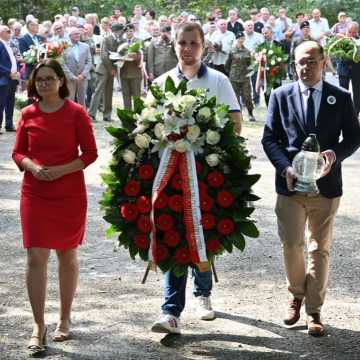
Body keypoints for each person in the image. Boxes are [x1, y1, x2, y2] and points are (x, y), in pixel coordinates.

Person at [262, 41, 360, 337]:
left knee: (320, 249)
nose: (306, 67)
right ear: (295, 64)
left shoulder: (341, 97)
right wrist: (286, 168)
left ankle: (314, 311)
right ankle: (296, 294)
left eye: (312, 62)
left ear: (323, 62)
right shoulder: (279, 95)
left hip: (327, 187)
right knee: (292, 245)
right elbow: (269, 139)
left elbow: (353, 138)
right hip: (290, 187)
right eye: (301, 62)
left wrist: (333, 156)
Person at [150, 22, 241, 335]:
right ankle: (170, 310)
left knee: (203, 232)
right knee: (171, 233)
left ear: (204, 47)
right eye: (182, 43)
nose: (187, 49)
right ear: (174, 45)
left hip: (206, 173)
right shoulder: (161, 83)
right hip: (170, 175)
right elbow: (150, 128)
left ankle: (203, 293)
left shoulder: (218, 80)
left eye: (193, 43)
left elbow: (235, 123)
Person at [12, 59, 97, 355]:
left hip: (68, 192)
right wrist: (32, 167)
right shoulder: (27, 113)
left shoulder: (76, 113)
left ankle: (64, 316)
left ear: (61, 81)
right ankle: (38, 325)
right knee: (35, 257)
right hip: (34, 192)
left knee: (67, 254)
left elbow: (90, 153)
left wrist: (61, 170)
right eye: (39, 79)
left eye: (50, 78)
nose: (44, 83)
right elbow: (18, 151)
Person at [88, 23, 125, 121]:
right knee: (98, 91)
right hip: (103, 69)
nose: (121, 33)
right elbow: (104, 55)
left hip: (112, 69)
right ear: (116, 31)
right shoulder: (106, 39)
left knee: (108, 93)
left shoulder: (121, 40)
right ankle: (91, 114)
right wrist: (111, 69)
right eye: (120, 31)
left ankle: (107, 115)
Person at [225, 31, 255, 121]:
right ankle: (239, 115)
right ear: (236, 39)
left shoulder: (247, 51)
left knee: (247, 97)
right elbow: (227, 64)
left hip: (245, 77)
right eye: (239, 39)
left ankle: (250, 113)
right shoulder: (231, 51)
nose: (241, 40)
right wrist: (231, 73)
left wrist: (248, 72)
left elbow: (251, 65)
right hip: (234, 77)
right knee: (235, 98)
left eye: (242, 38)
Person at [62, 27, 92, 107]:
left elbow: (89, 62)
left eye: (78, 33)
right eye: (75, 34)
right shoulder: (64, 47)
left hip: (83, 78)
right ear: (70, 36)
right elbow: (62, 63)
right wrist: (72, 76)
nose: (77, 35)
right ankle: (69, 118)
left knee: (82, 100)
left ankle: (83, 118)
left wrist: (83, 75)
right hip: (69, 78)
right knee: (69, 99)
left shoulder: (85, 46)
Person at [336, 21, 360, 117]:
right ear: (346, 30)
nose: (351, 34)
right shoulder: (340, 39)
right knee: (342, 91)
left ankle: (355, 112)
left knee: (357, 91)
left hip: (356, 70)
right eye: (350, 32)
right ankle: (343, 111)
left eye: (354, 32)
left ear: (357, 31)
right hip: (343, 69)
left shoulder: (359, 40)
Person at [0, 25, 19, 133]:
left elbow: (12, 61)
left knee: (10, 102)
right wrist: (9, 73)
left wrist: (16, 72)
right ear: (1, 33)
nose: (10, 33)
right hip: (4, 78)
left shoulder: (7, 44)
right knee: (1, 102)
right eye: (8, 31)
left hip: (12, 78)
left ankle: (9, 124)